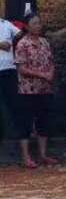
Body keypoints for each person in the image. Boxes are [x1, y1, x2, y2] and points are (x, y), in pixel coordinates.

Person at [14, 14, 58, 168]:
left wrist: (51, 73)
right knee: (25, 123)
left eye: (39, 23)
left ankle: (43, 154)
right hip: (28, 90)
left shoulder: (45, 42)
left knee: (43, 121)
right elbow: (22, 68)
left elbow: (51, 61)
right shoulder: (22, 44)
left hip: (45, 89)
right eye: (35, 23)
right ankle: (26, 157)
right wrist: (42, 75)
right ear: (27, 26)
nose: (38, 25)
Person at [0, 9, 21, 144]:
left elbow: (20, 34)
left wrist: (12, 44)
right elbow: (4, 46)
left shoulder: (6, 24)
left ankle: (17, 134)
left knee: (13, 102)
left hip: (9, 69)